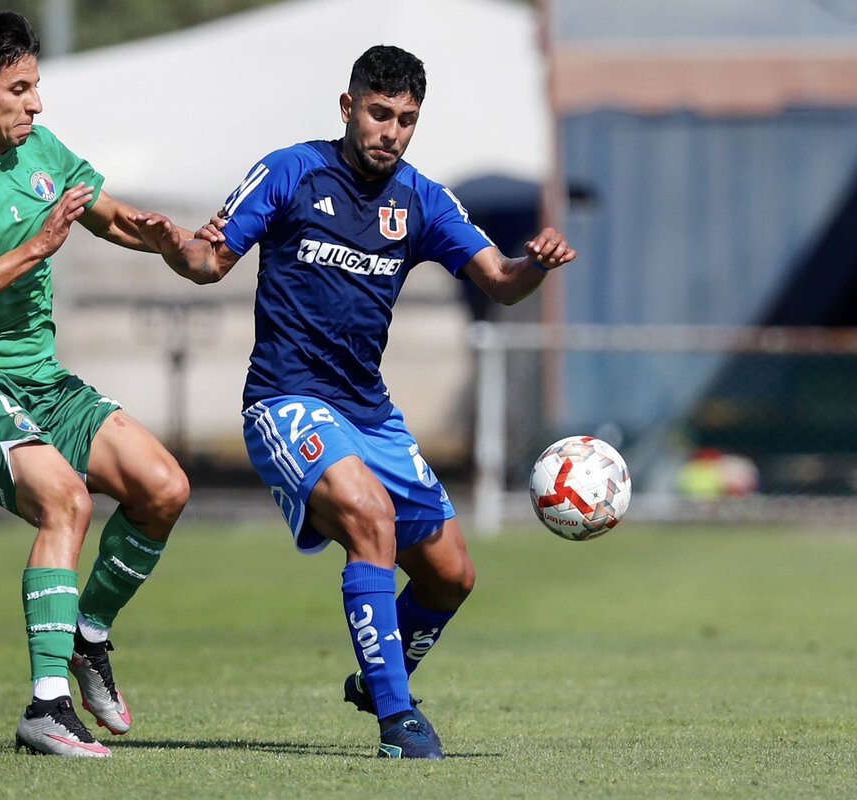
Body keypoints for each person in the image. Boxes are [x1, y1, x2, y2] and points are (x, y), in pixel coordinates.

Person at [132, 45, 576, 759]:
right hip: (286, 401)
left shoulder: (422, 198)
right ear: (348, 108)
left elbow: (499, 278)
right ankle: (399, 723)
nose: (391, 131)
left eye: (406, 119)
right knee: (370, 519)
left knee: (452, 575)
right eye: (379, 113)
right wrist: (174, 248)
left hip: (369, 412)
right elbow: (209, 262)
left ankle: (380, 677)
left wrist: (536, 265)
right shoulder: (289, 173)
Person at [0, 11, 195, 759]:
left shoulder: (43, 149)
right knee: (65, 500)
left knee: (164, 488)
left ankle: (88, 636)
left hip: (44, 383)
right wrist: (34, 250)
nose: (36, 105)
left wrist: (161, 239)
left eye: (37, 87)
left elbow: (106, 215)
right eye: (20, 89)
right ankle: (47, 708)